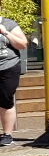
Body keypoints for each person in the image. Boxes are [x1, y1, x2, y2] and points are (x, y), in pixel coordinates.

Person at [0, 16, 28, 146]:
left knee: (6, 99)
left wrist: (5, 32)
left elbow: (22, 44)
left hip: (7, 67)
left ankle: (7, 134)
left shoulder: (8, 24)